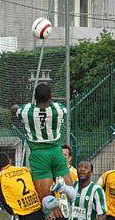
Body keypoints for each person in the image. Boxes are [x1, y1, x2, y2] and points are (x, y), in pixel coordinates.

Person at [11, 83, 75, 212]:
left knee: (44, 198)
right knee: (71, 192)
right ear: (50, 97)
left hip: (39, 155)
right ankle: (63, 190)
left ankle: (55, 203)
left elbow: (14, 108)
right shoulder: (59, 110)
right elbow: (58, 106)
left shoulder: (26, 111)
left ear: (35, 97)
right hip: (56, 151)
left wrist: (17, 107)